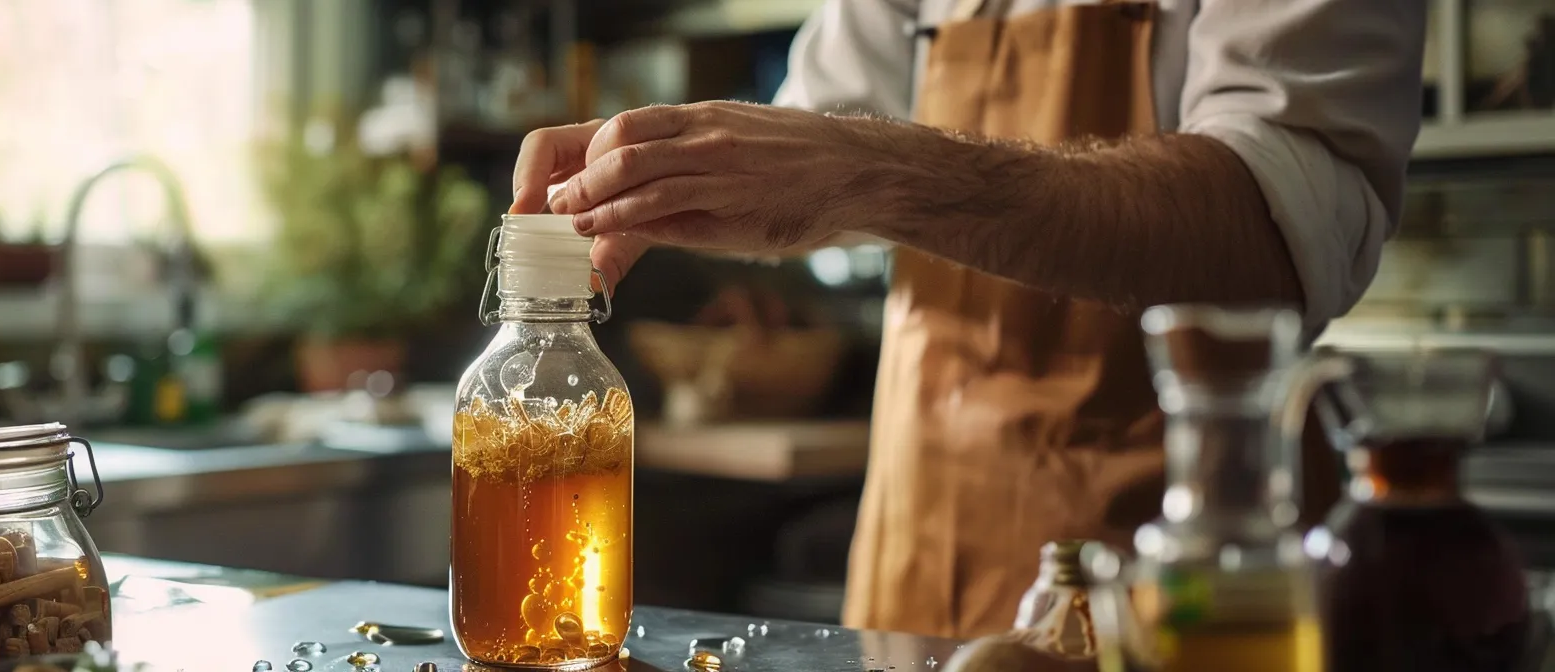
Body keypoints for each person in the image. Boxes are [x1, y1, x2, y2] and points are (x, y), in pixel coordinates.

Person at [509, 0, 1426, 639]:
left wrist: (871, 168)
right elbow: (817, 136)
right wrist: (667, 172)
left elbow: (1274, 230)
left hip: (1166, 580)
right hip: (917, 552)